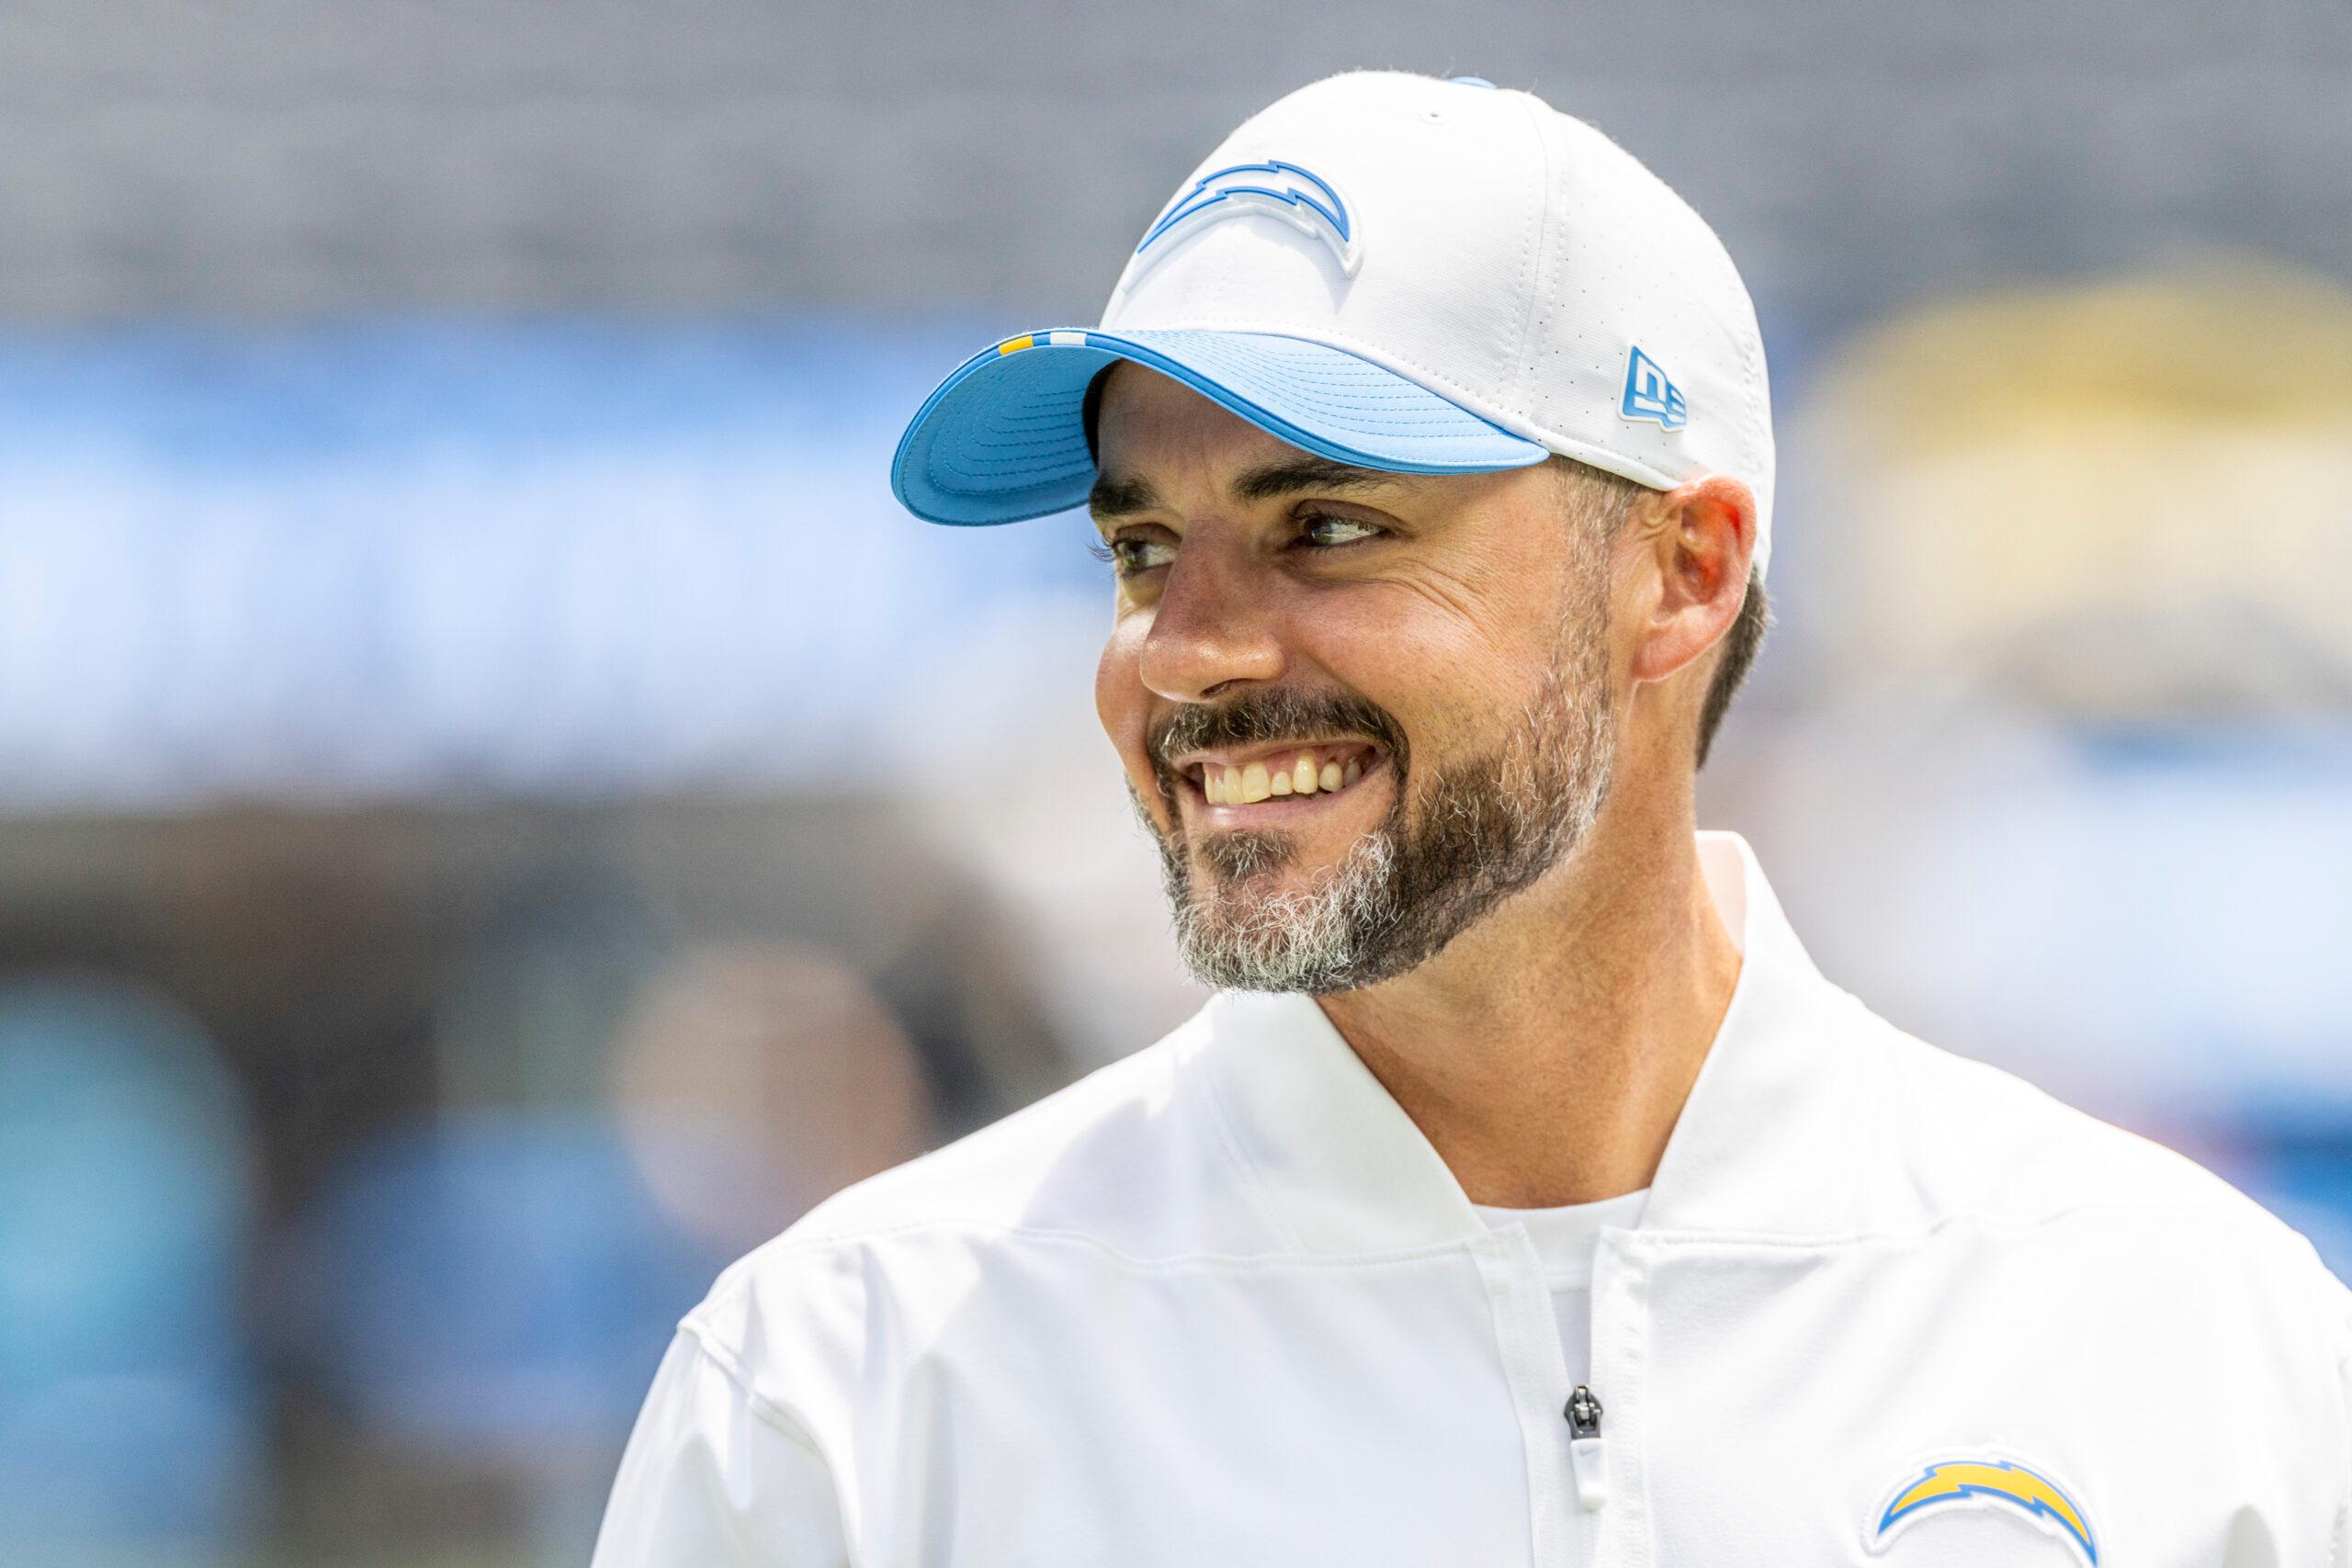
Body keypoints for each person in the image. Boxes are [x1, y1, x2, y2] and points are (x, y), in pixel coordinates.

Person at [593, 71, 2350, 1565]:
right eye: (1141, 548)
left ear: (1685, 570)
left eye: (1329, 527)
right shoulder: (849, 1386)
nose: (1182, 651)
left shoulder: (2192, 1341)